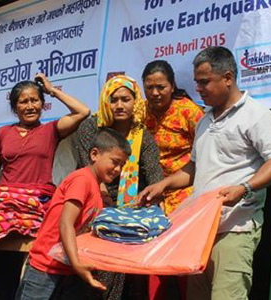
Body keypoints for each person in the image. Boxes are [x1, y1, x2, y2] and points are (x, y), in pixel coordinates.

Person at [139, 46, 271, 300]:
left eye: (205, 82)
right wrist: (163, 185)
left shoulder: (256, 115)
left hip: (235, 227)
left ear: (228, 78)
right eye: (197, 82)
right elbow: (193, 169)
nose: (198, 88)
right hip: (201, 230)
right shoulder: (205, 121)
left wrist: (245, 188)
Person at [0, 74, 90, 300]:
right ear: (14, 106)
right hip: (5, 208)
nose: (30, 106)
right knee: (1, 270)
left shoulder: (51, 130)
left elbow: (83, 111)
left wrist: (52, 90)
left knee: (34, 269)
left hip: (36, 207)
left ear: (42, 103)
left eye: (35, 100)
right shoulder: (3, 133)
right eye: (23, 101)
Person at [72, 75, 164, 299]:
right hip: (92, 202)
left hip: (129, 210)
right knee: (92, 272)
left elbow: (154, 174)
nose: (120, 105)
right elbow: (89, 168)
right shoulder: (91, 127)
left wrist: (156, 202)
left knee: (125, 276)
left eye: (126, 99)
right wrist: (106, 204)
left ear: (136, 102)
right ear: (106, 101)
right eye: (114, 100)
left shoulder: (144, 137)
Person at [17, 128, 131, 300]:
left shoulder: (96, 189)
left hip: (66, 269)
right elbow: (66, 223)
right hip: (46, 267)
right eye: (115, 162)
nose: (117, 169)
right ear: (94, 154)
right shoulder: (82, 180)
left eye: (122, 165)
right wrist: (77, 264)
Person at [142, 60, 204, 299]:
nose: (155, 93)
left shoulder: (188, 111)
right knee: (151, 256)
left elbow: (205, 151)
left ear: (172, 85)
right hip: (152, 192)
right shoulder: (141, 111)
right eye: (150, 87)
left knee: (181, 259)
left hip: (184, 190)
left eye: (161, 87)